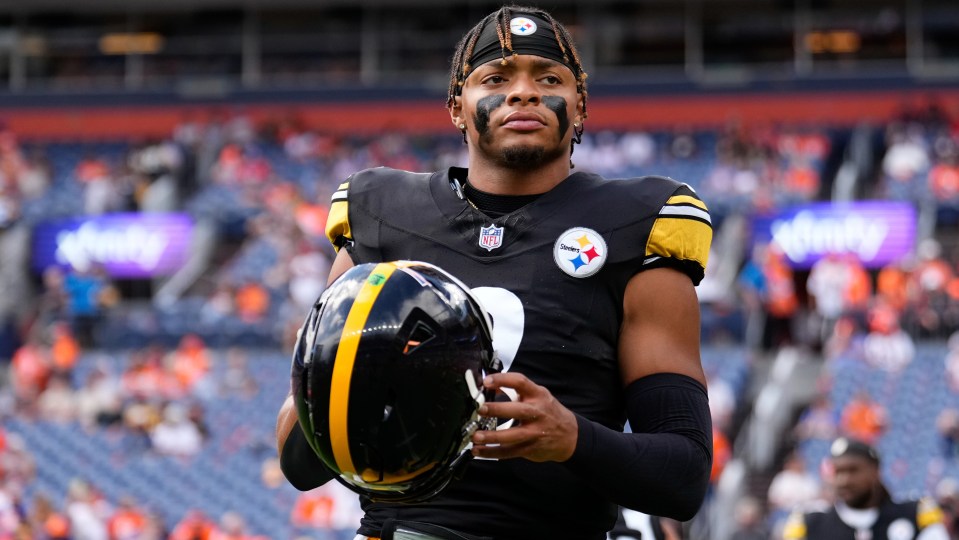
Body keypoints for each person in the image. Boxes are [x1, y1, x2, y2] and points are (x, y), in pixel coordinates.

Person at [276, 5, 714, 539]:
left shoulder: (636, 224)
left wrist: (573, 437)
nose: (524, 92)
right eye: (496, 78)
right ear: (457, 106)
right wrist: (358, 377)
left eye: (549, 78)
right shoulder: (380, 214)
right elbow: (299, 462)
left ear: (580, 108)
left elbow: (683, 476)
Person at [782, 437, 948, 539]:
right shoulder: (811, 524)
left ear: (875, 471)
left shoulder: (915, 515)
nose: (843, 480)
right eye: (838, 472)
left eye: (853, 470)